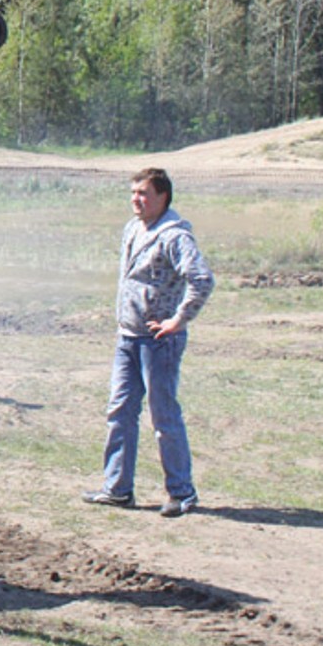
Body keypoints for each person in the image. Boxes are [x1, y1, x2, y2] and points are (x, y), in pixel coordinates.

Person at [84, 168, 214, 518]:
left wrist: (178, 319)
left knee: (163, 417)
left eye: (143, 193)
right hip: (128, 336)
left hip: (159, 341)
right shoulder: (133, 229)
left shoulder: (175, 237)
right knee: (120, 412)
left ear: (163, 197)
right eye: (133, 193)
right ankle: (117, 489)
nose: (136, 199)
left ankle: (181, 493)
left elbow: (201, 279)